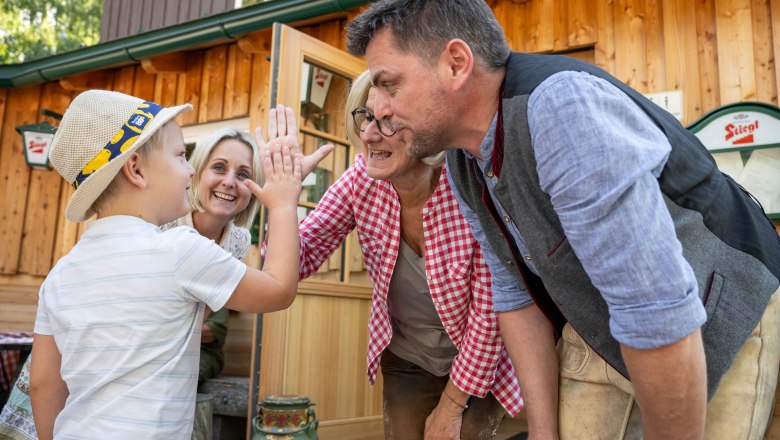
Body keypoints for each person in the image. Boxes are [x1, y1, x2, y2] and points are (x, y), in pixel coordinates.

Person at [346, 1, 780, 439]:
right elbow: (513, 292)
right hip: (602, 321)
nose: (377, 109)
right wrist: (542, 431)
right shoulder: (462, 162)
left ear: (456, 63)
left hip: (719, 308)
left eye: (389, 85)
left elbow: (653, 306)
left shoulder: (560, 107)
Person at [29, 90, 302, 439]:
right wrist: (282, 205)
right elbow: (279, 290)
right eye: (180, 155)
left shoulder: (58, 276)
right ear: (136, 169)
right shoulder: (181, 250)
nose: (191, 168)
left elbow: (43, 386)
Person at [286, 70, 521, 439]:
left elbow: (491, 310)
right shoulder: (359, 181)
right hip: (408, 356)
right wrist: (283, 204)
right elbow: (297, 258)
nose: (368, 134)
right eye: (365, 118)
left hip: (481, 356)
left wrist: (451, 407)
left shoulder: (469, 185)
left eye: (388, 122)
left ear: (425, 128)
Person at [164, 127, 263, 382]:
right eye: (219, 168)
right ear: (196, 172)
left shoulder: (237, 240)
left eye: (243, 175)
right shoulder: (166, 223)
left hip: (185, 352)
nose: (230, 182)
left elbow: (201, 314)